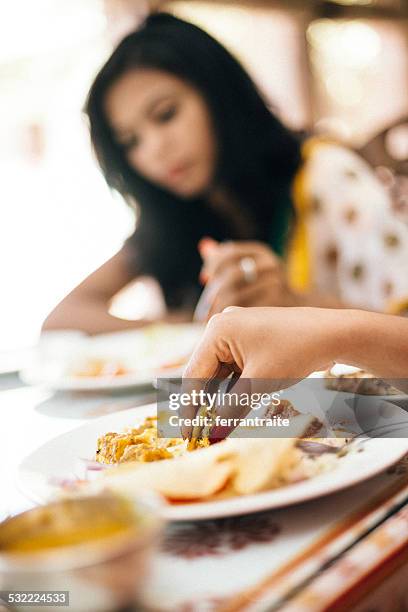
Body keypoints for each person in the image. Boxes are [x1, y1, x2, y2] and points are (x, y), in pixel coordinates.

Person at [42, 13, 408, 334]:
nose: (153, 150)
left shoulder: (322, 173)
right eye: (130, 141)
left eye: (166, 114)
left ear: (219, 95)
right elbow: (63, 317)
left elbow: (400, 329)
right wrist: (185, 328)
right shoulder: (174, 217)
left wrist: (292, 302)